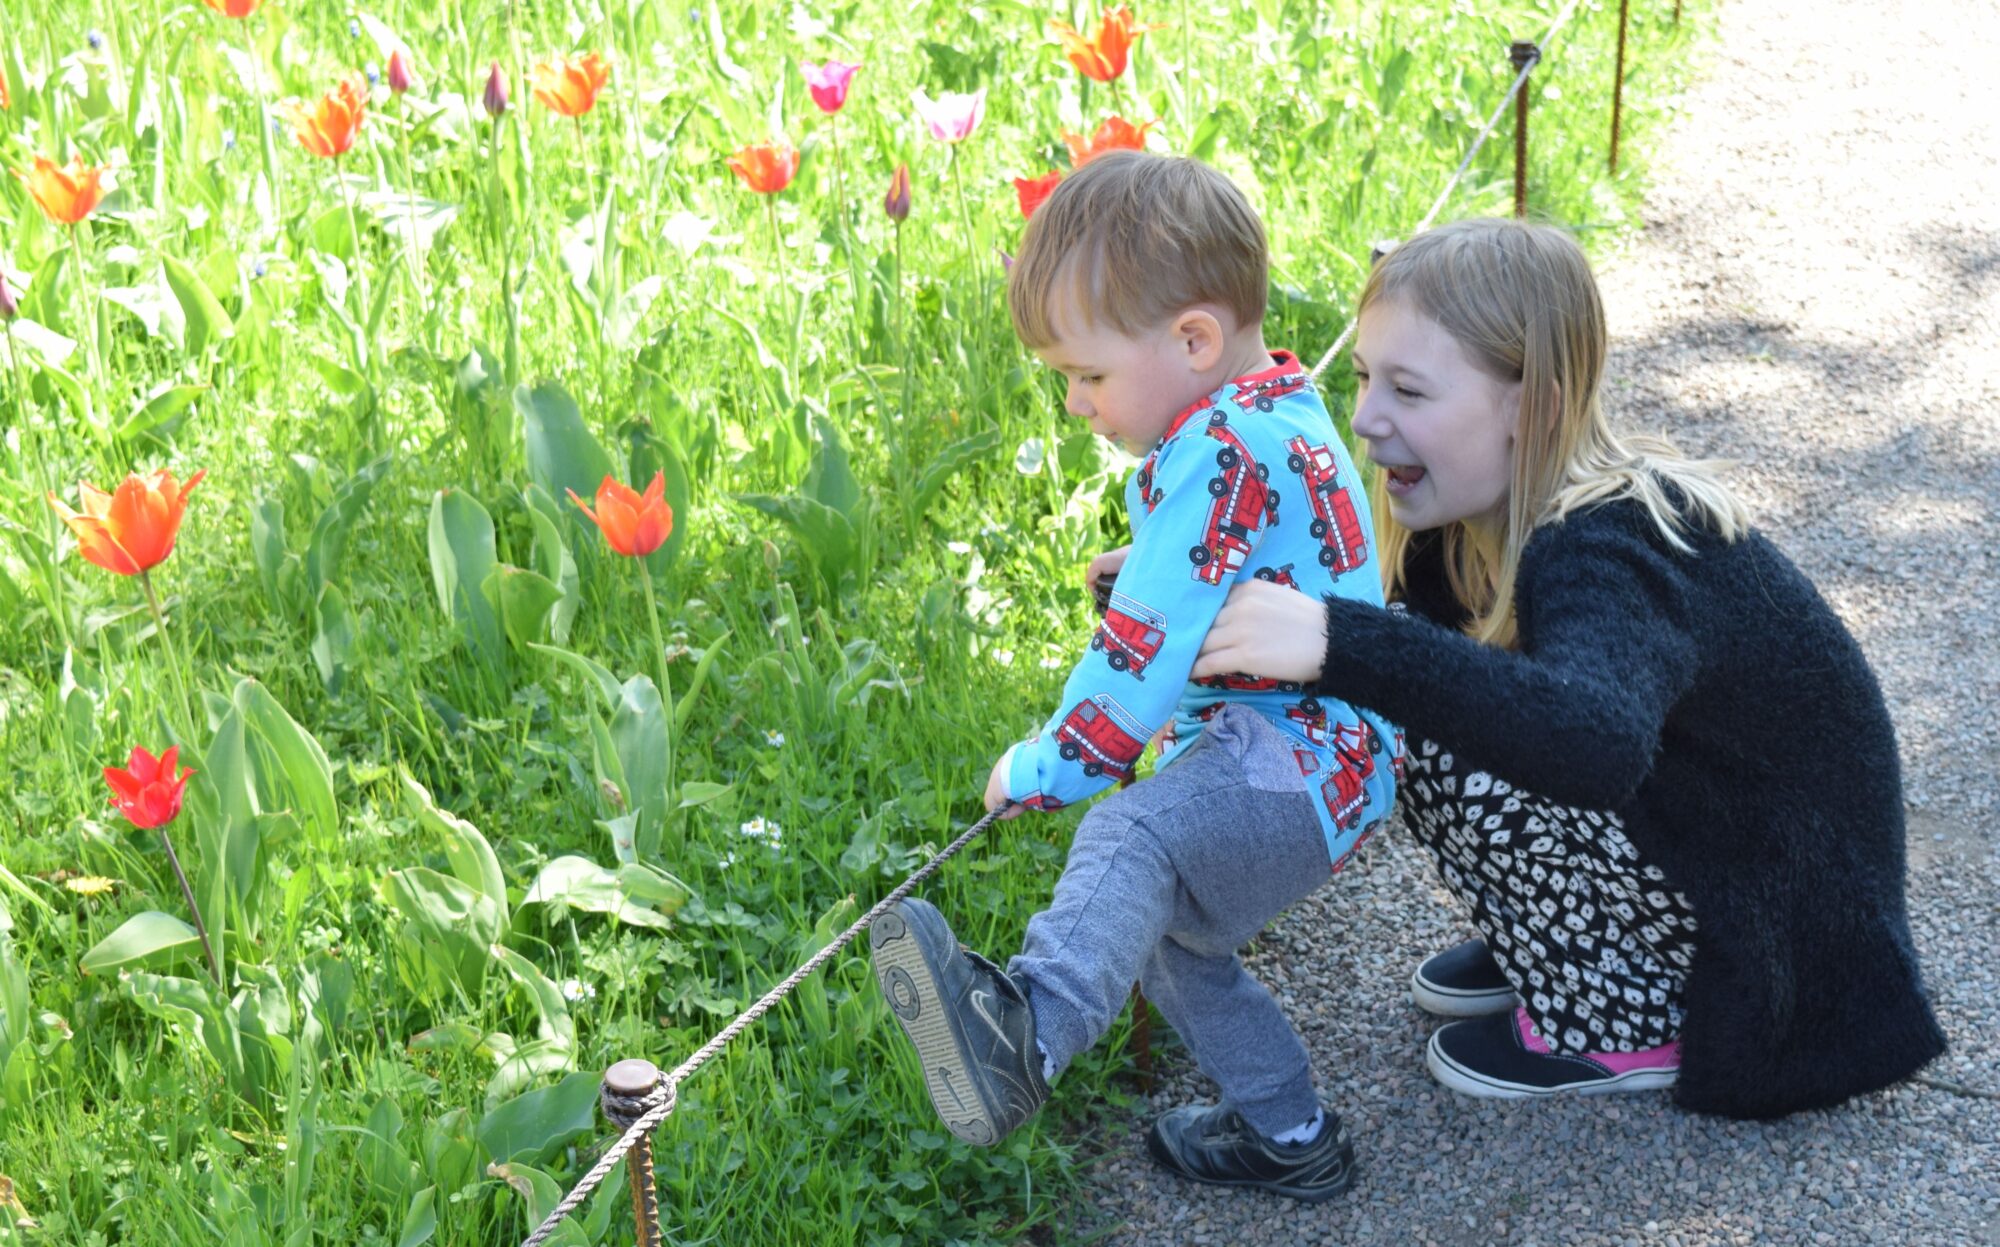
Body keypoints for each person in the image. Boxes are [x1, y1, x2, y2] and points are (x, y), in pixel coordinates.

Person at [1190, 216, 1946, 1117]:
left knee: (1423, 713)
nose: (1364, 417)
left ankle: (1615, 1011)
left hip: (1792, 941)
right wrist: (1200, 585)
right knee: (1414, 678)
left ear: (1533, 404)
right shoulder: (1468, 526)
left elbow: (1591, 744)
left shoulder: (1608, 545)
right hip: (1715, 850)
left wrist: (1337, 642)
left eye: (1410, 390)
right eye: (1362, 377)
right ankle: (1566, 946)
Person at [870, 149, 1400, 1202]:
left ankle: (1022, 1033)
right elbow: (1264, 552)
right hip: (1334, 757)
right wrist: (1163, 567)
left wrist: (1047, 764)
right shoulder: (1268, 408)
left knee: (1128, 833)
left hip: (1293, 760)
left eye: (1087, 374)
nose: (1075, 403)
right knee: (1166, 934)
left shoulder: (1217, 452)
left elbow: (1139, 656)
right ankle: (1289, 1133)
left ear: (1192, 339)